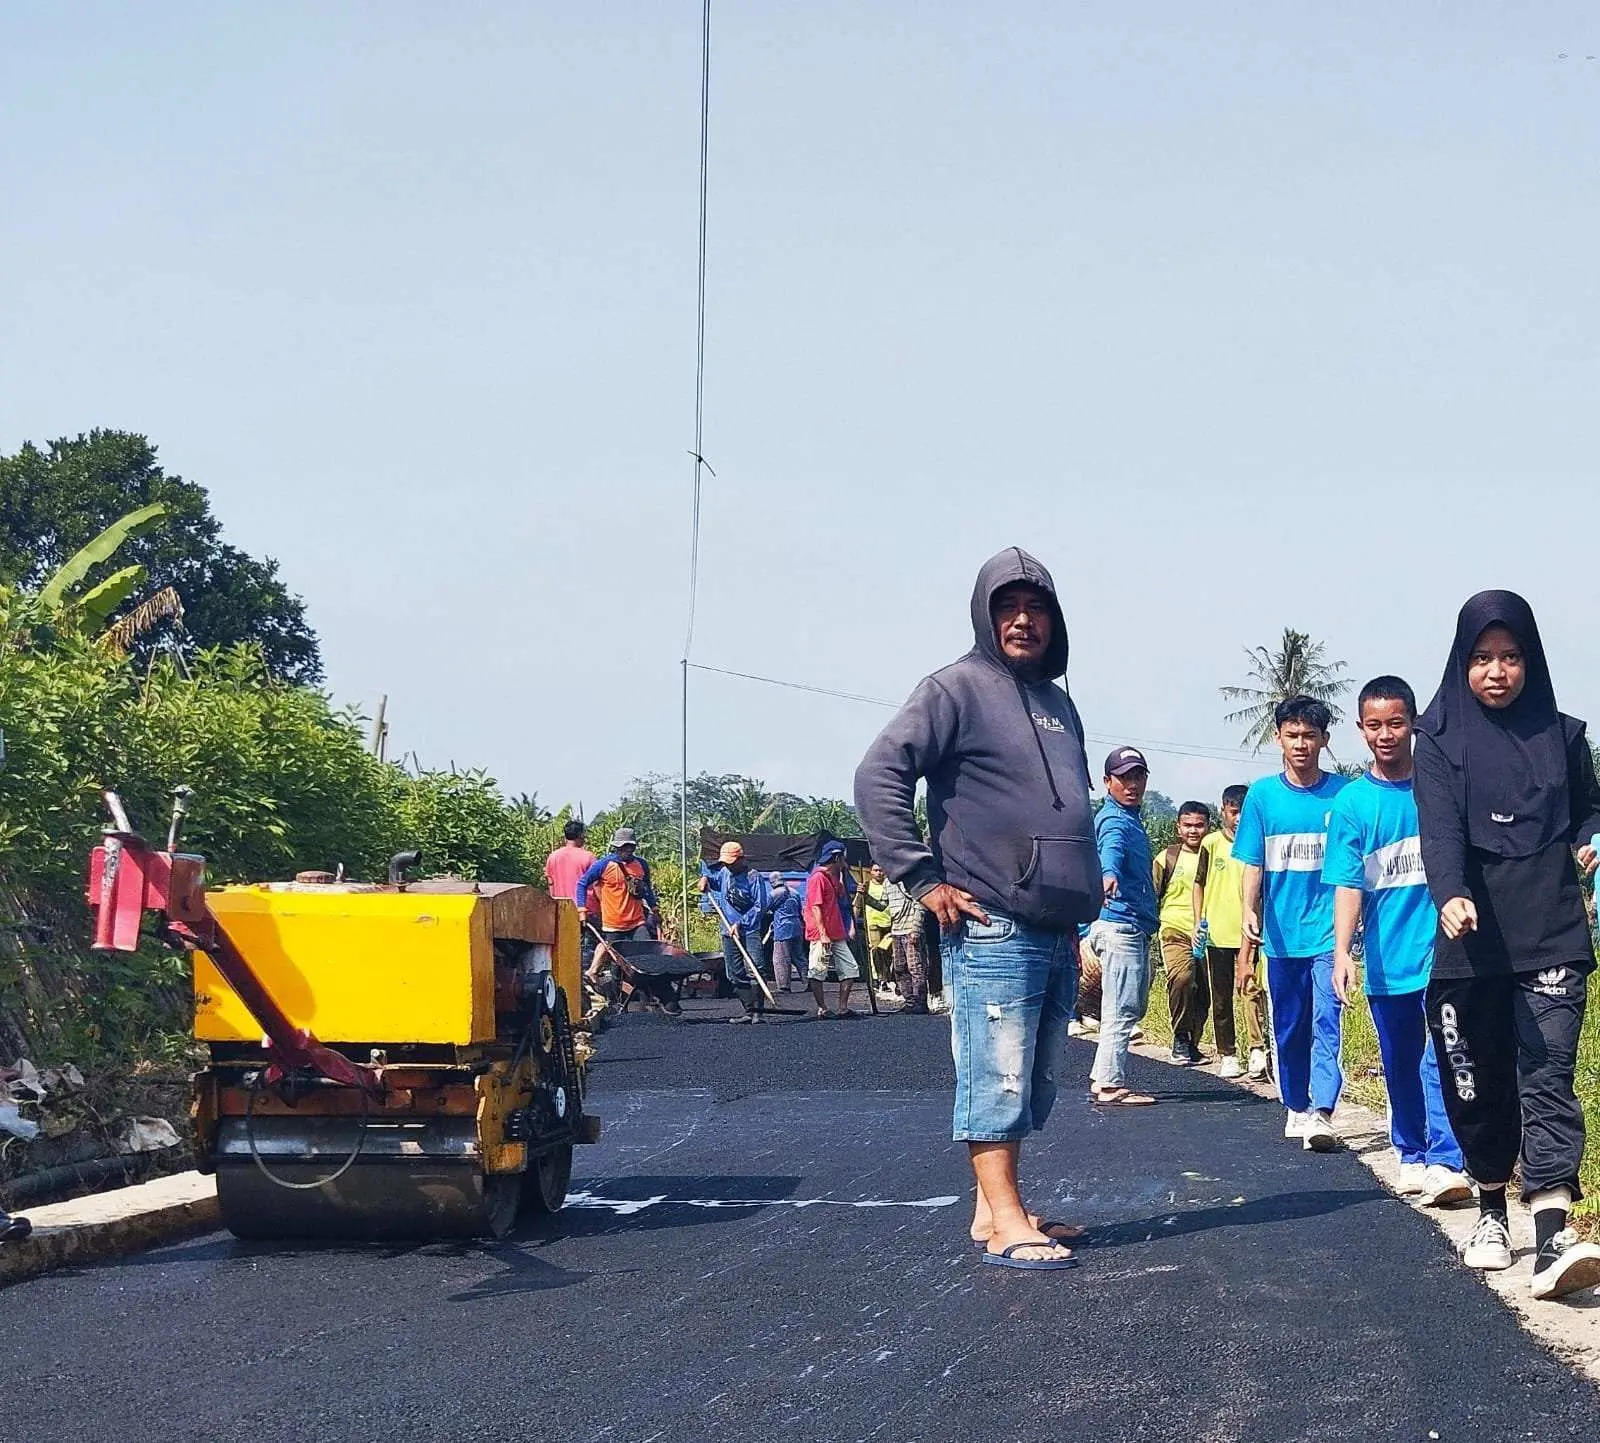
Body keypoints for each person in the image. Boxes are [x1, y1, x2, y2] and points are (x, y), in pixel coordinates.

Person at [856, 547, 1099, 1271]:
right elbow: (879, 775)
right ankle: (1007, 1217)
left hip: (1055, 923)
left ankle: (992, 1209)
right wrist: (922, 878)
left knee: (1037, 1076)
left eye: (1036, 608)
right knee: (996, 1071)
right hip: (991, 917)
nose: (1023, 620)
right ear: (985, 615)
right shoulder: (953, 689)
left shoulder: (1060, 704)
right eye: (1008, 607)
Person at [1414, 591, 1600, 1300]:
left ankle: (1553, 1233)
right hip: (1469, 938)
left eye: (1512, 656)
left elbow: (1588, 805)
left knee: (1548, 1074)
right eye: (1483, 657)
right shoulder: (1438, 740)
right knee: (1479, 1080)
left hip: (1550, 925)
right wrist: (1450, 892)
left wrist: (1590, 839)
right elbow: (1438, 830)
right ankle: (1492, 1208)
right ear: (1463, 663)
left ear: (1532, 660)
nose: (1498, 670)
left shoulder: (1564, 733)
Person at [1326, 676, 1472, 1209]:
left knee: (1445, 1056)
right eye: (1374, 725)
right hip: (1388, 962)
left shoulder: (1439, 789)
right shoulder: (1352, 805)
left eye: (1396, 723)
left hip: (1447, 956)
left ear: (1413, 724)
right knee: (1401, 1061)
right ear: (1361, 730)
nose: (1386, 735)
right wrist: (1343, 953)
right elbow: (1347, 885)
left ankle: (1446, 1158)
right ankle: (1411, 1151)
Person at [1233, 696, 1347, 1152]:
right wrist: (1247, 910)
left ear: (1324, 740)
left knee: (1327, 1017)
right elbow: (1253, 862)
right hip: (1282, 938)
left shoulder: (1344, 795)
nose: (1301, 744)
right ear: (1278, 737)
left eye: (1310, 735)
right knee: (1290, 1024)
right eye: (1292, 735)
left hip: (1328, 934)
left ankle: (1322, 1109)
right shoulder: (1262, 795)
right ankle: (1296, 1104)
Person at [1088, 747, 1160, 1106]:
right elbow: (1109, 851)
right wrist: (1108, 874)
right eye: (1123, 778)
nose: (1132, 784)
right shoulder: (1115, 821)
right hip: (1120, 925)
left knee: (1130, 1005)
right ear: (1107, 782)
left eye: (1138, 776)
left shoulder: (1130, 819)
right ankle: (1110, 1084)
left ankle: (1103, 1074)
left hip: (1130, 925)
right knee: (1121, 1009)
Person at [1193, 784, 1263, 1079]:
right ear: (1223, 810)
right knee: (1221, 995)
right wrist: (1199, 920)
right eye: (1234, 812)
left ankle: (1258, 1049)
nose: (1238, 819)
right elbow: (1199, 883)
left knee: (1252, 990)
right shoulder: (1211, 843)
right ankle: (1228, 1052)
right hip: (1218, 932)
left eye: (1243, 813)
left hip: (1250, 930)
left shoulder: (1258, 842)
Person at [576, 828, 677, 1015]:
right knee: (617, 965)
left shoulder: (641, 865)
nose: (627, 850)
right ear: (616, 847)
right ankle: (616, 1003)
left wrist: (654, 908)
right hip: (613, 924)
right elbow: (582, 883)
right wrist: (582, 909)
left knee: (649, 959)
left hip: (637, 922)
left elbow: (647, 889)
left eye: (630, 847)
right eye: (623, 847)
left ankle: (657, 1000)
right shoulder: (603, 865)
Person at [1155, 801, 1211, 1066]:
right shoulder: (1167, 857)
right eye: (1188, 825)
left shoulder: (1215, 855)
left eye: (1199, 825)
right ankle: (1179, 1036)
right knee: (1182, 978)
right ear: (1178, 827)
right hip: (1174, 928)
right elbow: (1152, 895)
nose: (1193, 831)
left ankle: (1193, 1042)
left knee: (1204, 994)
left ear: (1209, 827)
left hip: (1208, 934)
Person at [700, 841, 777, 1023]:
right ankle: (748, 1010)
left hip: (750, 930)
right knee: (733, 972)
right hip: (728, 929)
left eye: (731, 862)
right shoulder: (725, 873)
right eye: (726, 862)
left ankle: (758, 1012)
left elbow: (760, 906)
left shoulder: (753, 877)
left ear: (741, 859)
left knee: (757, 967)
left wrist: (741, 923)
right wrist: (705, 880)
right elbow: (713, 881)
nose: (728, 865)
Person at [804, 841, 860, 1018]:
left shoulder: (832, 878)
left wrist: (844, 873)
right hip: (822, 934)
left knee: (850, 968)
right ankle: (823, 1008)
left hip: (836, 932)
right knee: (817, 970)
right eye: (843, 857)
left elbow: (842, 895)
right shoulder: (818, 878)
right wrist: (823, 934)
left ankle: (842, 1008)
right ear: (836, 857)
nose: (845, 860)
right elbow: (816, 907)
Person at [883, 872, 930, 1012]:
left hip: (910, 929)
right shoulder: (887, 883)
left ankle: (920, 1002)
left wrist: (916, 929)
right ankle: (909, 1001)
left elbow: (921, 904)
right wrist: (864, 895)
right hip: (896, 930)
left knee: (915, 967)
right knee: (899, 967)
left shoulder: (908, 880)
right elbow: (882, 905)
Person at [858, 863, 896, 999]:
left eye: (881, 870)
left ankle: (887, 977)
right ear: (870, 871)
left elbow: (884, 905)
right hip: (873, 923)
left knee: (887, 952)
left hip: (890, 924)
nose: (879, 873)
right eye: (876, 870)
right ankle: (879, 979)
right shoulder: (866, 886)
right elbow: (857, 905)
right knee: (875, 950)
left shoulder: (890, 885)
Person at [770, 869, 809, 991]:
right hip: (796, 928)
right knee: (799, 957)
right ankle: (810, 982)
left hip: (782, 929)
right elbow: (799, 910)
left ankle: (784, 986)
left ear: (772, 882)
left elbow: (764, 908)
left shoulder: (775, 894)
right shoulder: (795, 893)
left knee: (781, 958)